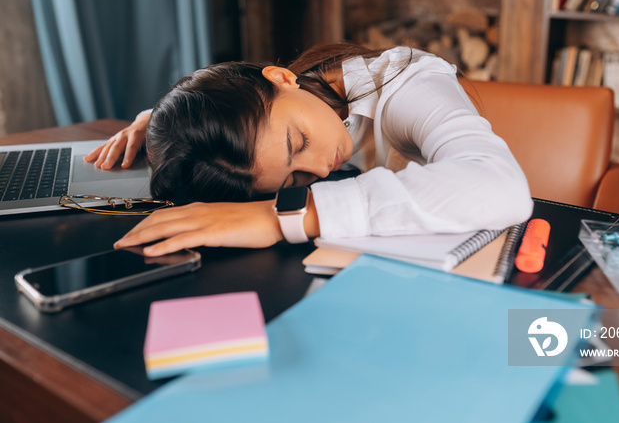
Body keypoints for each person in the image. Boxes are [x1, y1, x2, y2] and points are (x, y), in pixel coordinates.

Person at [85, 43, 533, 256]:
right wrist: (160, 121)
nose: (320, 168)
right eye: (294, 180)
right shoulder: (294, 96)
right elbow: (237, 96)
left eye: (297, 142)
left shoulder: (406, 83)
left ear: (281, 77)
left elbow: (501, 188)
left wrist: (283, 214)